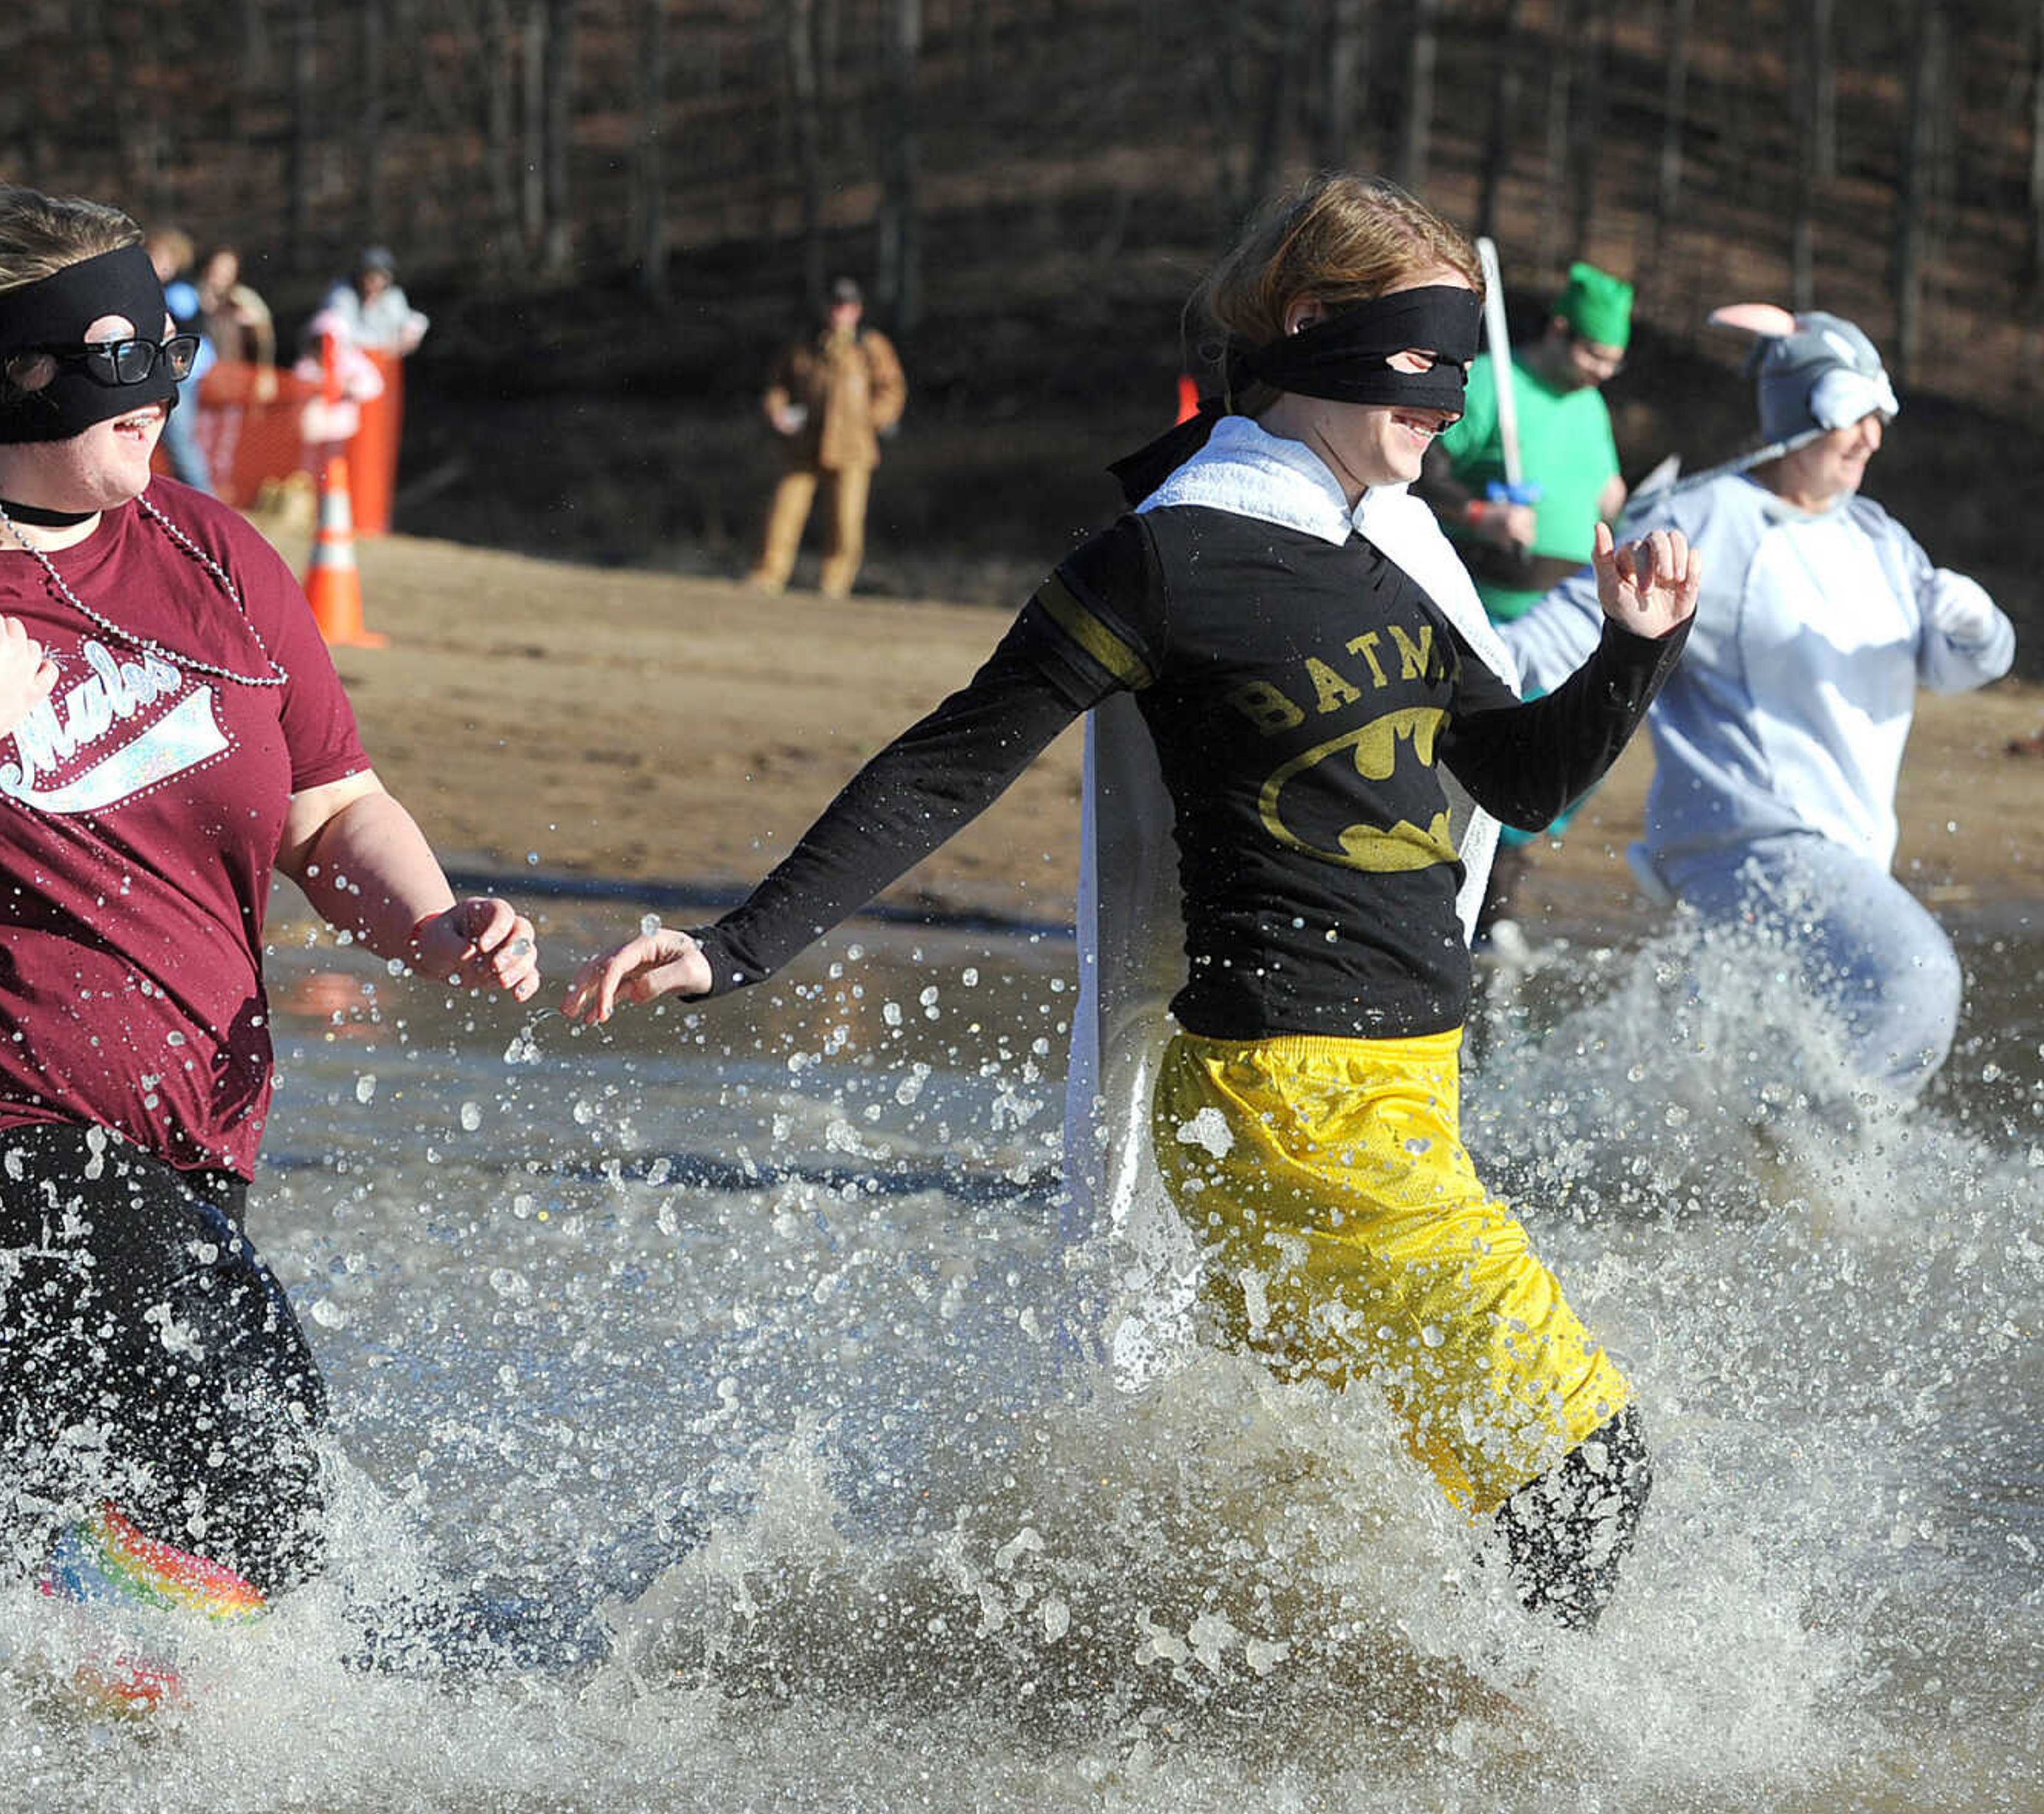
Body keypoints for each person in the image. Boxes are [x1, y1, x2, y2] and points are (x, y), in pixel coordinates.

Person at [567, 174, 1698, 1629]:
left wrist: (1630, 648)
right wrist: (735, 946)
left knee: (1355, 1514)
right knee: (1585, 1475)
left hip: (1393, 1098)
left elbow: (1523, 778)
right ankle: (1542, 1759)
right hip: (1293, 1102)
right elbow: (944, 765)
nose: (1455, 405)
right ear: (1307, 330)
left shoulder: (1389, 559)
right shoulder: (1170, 558)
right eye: (1426, 363)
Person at [0, 178, 541, 1651]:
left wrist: (436, 920)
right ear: (18, 370)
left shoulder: (213, 552)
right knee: (253, 1462)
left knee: (6, 1520)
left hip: (177, 1142)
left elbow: (328, 806)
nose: (160, 405)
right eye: (123, 373)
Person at [1503, 308, 2012, 1101]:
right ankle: (1829, 1173)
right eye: (1855, 412)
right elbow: (1573, 622)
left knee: (1732, 1074)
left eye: (1882, 415)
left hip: (1846, 851)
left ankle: (1766, 1175)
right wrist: (1462, 670)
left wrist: (1978, 627)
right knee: (1913, 981)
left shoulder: (1877, 536)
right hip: (1751, 846)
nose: (1873, 436)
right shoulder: (1708, 520)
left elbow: (1955, 668)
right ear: (1804, 407)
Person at [1417, 260, 1635, 935]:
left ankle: (1499, 885)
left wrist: (1614, 497)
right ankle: (1477, 905)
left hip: (1573, 605)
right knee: (1501, 748)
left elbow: (1600, 480)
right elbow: (1425, 471)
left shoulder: (1592, 405)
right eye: (1594, 353)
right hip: (1493, 602)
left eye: (1615, 360)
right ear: (1561, 330)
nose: (1603, 370)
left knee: (1582, 749)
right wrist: (1484, 515)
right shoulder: (1493, 386)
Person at [746, 276, 906, 600]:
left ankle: (835, 583)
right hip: (805, 444)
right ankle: (769, 574)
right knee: (784, 513)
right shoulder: (804, 345)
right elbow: (778, 386)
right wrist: (777, 412)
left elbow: (893, 390)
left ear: (857, 311)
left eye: (846, 306)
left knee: (846, 521)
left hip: (853, 448)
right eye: (835, 305)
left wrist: (871, 420)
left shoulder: (870, 346)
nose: (839, 313)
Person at [144, 226, 216, 490]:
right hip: (176, 371)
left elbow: (188, 328)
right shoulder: (174, 289)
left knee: (180, 440)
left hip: (181, 374)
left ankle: (203, 498)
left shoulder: (178, 291)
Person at [197, 243, 280, 402]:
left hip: (237, 377)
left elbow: (264, 339)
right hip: (201, 381)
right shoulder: (193, 297)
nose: (221, 273)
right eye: (219, 267)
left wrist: (264, 375)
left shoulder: (243, 299)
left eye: (228, 268)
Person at [319, 244, 428, 358]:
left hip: (384, 366)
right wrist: (386, 345)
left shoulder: (392, 296)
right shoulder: (342, 295)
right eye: (370, 277)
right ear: (360, 276)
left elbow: (409, 321)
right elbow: (343, 334)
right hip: (348, 365)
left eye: (382, 277)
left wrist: (410, 333)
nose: (375, 283)